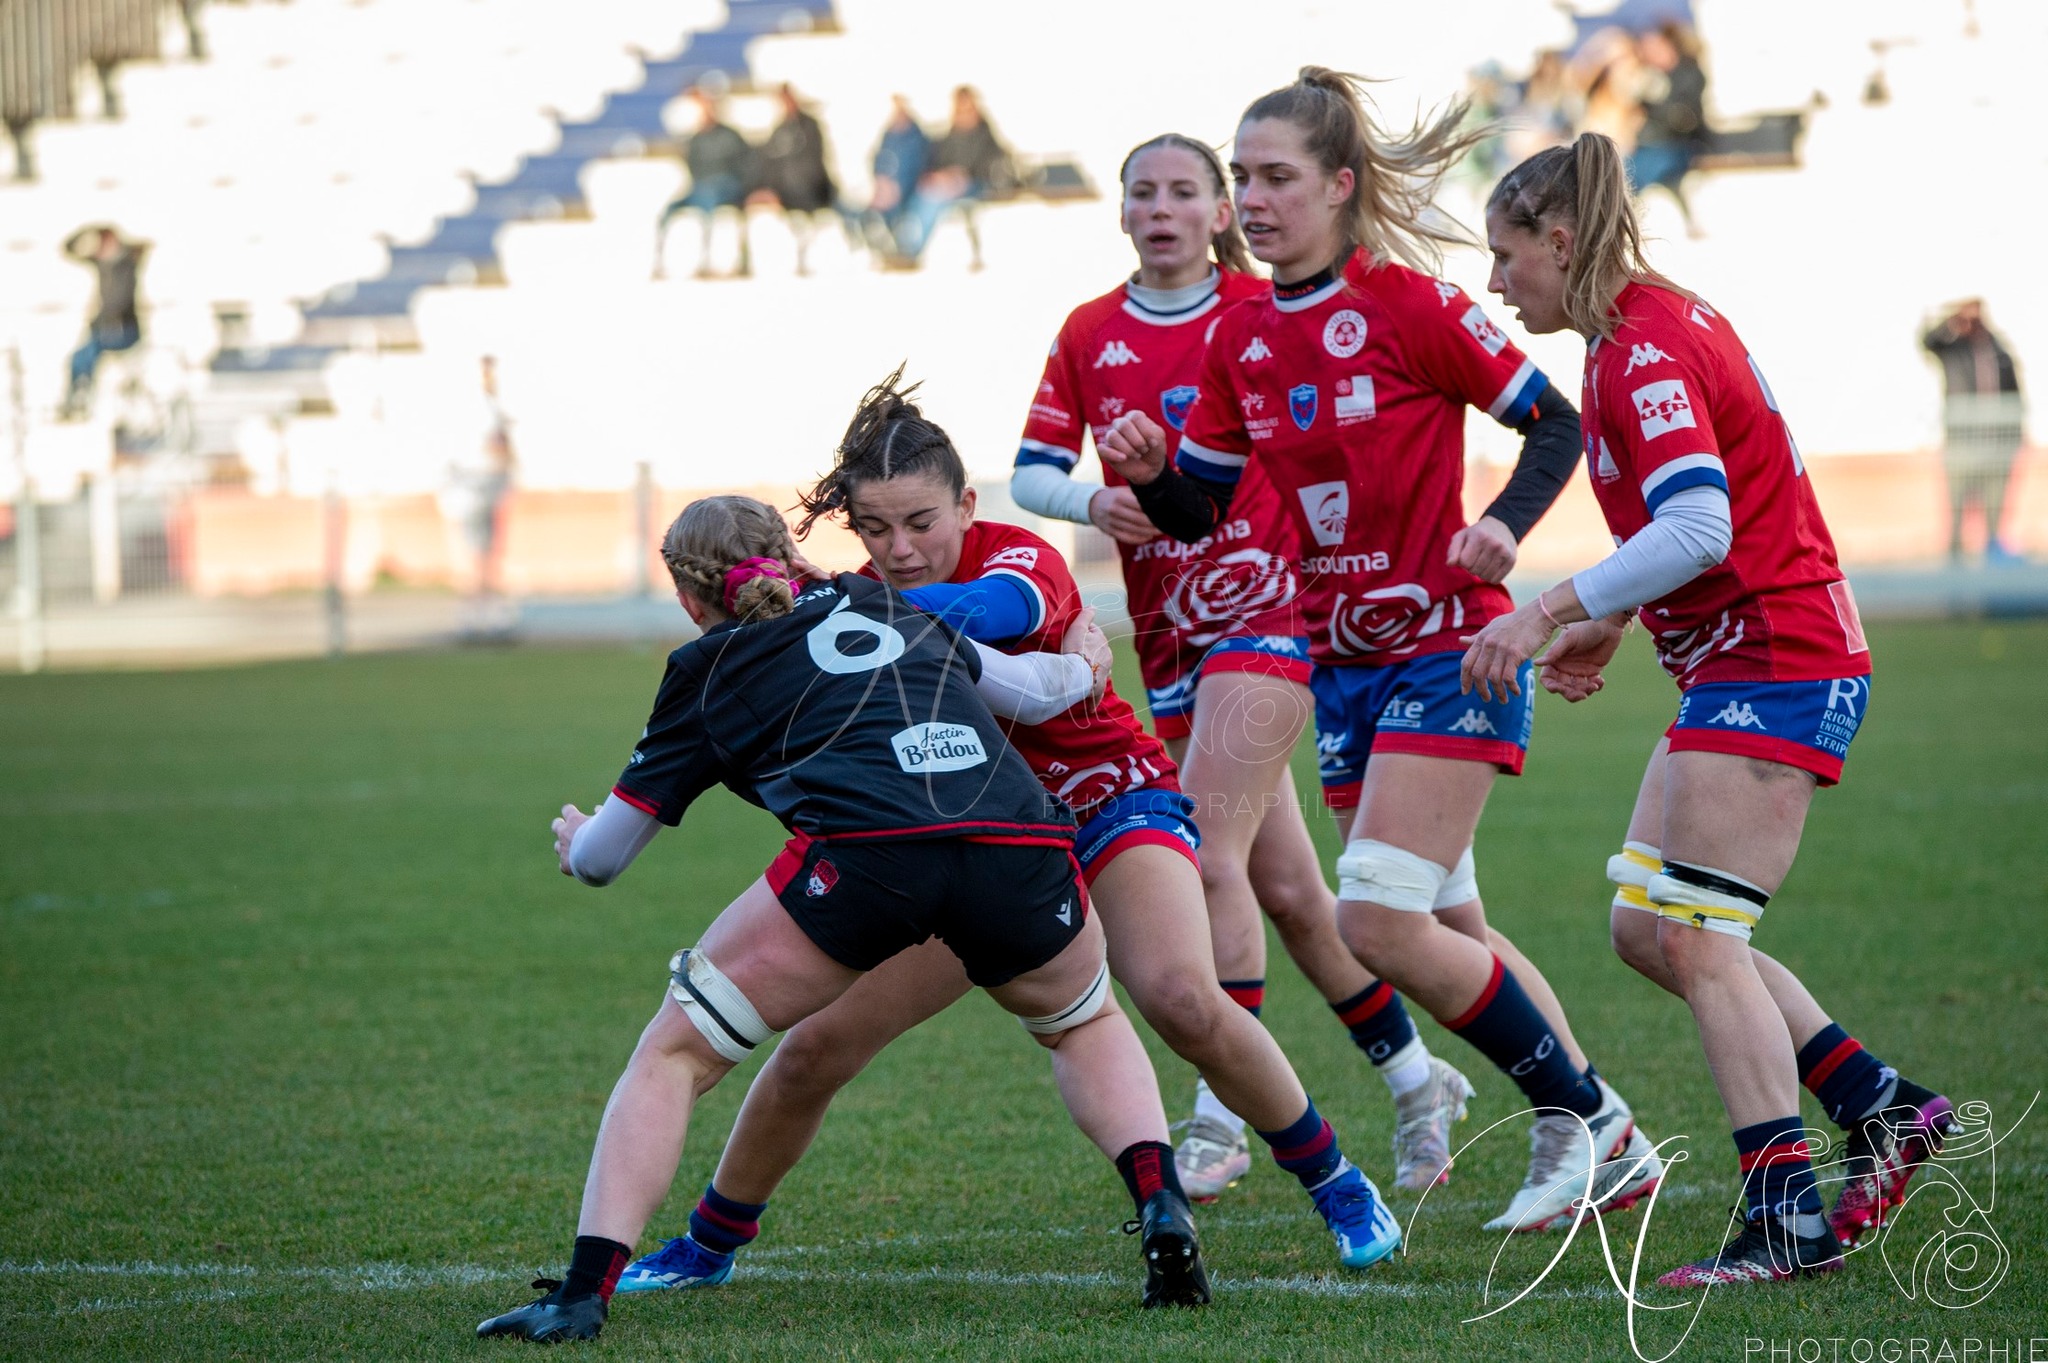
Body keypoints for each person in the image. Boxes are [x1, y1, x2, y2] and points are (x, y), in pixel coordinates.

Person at [614, 371, 1403, 1302]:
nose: (900, 549)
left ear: (967, 504)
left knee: (1182, 997)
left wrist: (825, 605)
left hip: (1106, 795)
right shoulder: (856, 598)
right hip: (975, 839)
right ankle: (709, 1242)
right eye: (875, 530)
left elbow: (994, 619)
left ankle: (1337, 1184)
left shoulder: (1014, 557)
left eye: (921, 521)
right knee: (816, 1049)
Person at [1101, 68, 1663, 1235]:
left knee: (1374, 919)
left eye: (1273, 179)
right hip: (1342, 665)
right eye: (1240, 179)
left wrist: (1502, 526)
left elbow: (1549, 421)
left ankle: (1594, 1117)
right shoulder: (1239, 332)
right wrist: (1153, 465)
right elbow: (1202, 507)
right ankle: (1581, 1132)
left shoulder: (1411, 304)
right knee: (1443, 926)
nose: (1247, 201)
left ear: (1340, 186)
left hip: (1449, 648)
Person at [474, 494, 1199, 1341]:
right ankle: (1163, 1208)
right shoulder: (880, 601)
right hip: (1017, 835)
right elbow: (1031, 692)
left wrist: (574, 838)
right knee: (1083, 1023)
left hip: (871, 856)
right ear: (791, 554)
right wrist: (1085, 666)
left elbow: (602, 858)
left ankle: (581, 1294)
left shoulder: (705, 666)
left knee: (674, 1052)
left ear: (688, 598)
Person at [1467, 132, 1957, 1286]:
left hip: (1773, 660)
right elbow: (1699, 519)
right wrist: (1617, 619)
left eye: (1505, 257)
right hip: (1744, 658)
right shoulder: (1634, 334)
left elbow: (1700, 526)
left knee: (1693, 934)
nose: (1495, 284)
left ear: (1560, 241)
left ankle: (1780, 1213)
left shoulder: (1637, 351)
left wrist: (1543, 611)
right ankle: (1876, 1107)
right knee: (1648, 929)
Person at [1008, 131, 1473, 1199]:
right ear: (1119, 211)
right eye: (1141, 192)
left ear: (1222, 212)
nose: (1160, 208)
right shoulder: (1089, 333)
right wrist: (1094, 499)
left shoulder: (1262, 319)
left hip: (1270, 619)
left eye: (1184, 191)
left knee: (1205, 854)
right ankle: (1414, 1078)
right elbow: (1032, 468)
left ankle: (1219, 1114)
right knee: (1291, 894)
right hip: (1169, 633)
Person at [1922, 299, 2026, 564]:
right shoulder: (1954, 349)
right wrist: (1953, 320)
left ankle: (1992, 558)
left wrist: (2017, 435)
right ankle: (1954, 562)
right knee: (1958, 509)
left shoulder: (1997, 350)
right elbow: (1928, 341)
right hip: (1962, 445)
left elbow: (2014, 392)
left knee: (1994, 508)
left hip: (1995, 446)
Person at [889, 86, 1013, 270]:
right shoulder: (950, 135)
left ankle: (911, 251)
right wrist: (939, 176)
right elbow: (937, 160)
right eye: (960, 108)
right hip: (946, 186)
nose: (964, 114)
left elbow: (994, 165)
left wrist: (964, 176)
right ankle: (902, 244)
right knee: (922, 194)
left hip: (973, 186)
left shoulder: (985, 135)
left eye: (967, 108)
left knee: (932, 200)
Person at [439, 355, 515, 629]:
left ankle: (482, 604)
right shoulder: (478, 411)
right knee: (476, 551)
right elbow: (497, 449)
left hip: (481, 486)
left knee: (484, 550)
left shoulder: (484, 408)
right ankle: (478, 606)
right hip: (474, 487)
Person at [654, 87, 756, 280]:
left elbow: (746, 165)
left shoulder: (731, 136)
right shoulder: (696, 139)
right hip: (700, 189)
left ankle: (707, 261)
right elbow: (692, 168)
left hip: (727, 189)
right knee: (670, 209)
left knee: (708, 199)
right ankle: (659, 263)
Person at [1627, 22, 1709, 238]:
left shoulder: (1689, 73)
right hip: (1648, 146)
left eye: (1651, 47)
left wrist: (1656, 101)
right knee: (1624, 166)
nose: (1647, 53)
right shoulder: (1651, 76)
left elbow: (1686, 120)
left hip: (1678, 146)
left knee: (1634, 172)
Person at [61, 225, 146, 421]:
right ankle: (77, 394)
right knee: (79, 357)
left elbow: (120, 301)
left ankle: (82, 396)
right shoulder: (102, 264)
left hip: (125, 331)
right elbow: (68, 249)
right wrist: (89, 230)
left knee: (90, 349)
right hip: (106, 330)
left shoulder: (127, 264)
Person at [755, 84, 836, 276]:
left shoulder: (809, 126)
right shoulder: (779, 130)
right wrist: (771, 189)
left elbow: (816, 161)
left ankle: (810, 259)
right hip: (785, 193)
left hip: (813, 191)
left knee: (808, 224)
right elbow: (769, 163)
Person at [844, 94, 928, 257]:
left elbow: (919, 168)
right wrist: (878, 184)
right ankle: (868, 247)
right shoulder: (886, 136)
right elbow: (876, 162)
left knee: (897, 215)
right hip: (880, 191)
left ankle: (901, 252)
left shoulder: (917, 139)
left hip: (904, 192)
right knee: (849, 207)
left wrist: (897, 187)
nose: (897, 113)